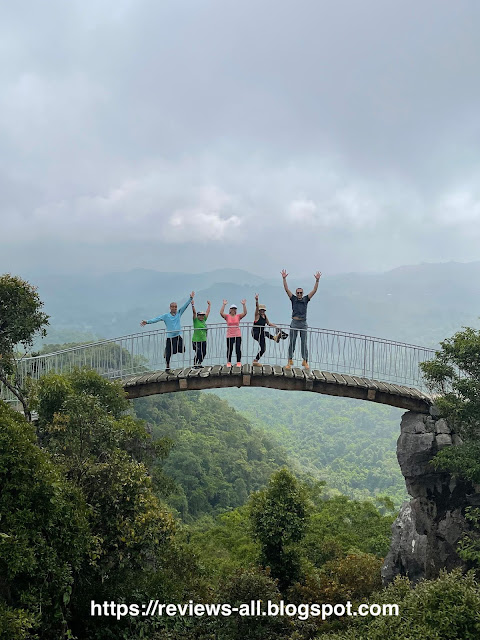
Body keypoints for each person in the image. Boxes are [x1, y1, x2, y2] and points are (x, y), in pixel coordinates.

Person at [140, 291, 194, 371]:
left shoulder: (179, 313)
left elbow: (185, 306)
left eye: (175, 307)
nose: (175, 308)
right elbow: (157, 319)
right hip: (170, 337)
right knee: (168, 353)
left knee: (182, 349)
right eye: (173, 307)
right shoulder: (166, 316)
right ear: (170, 308)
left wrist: (190, 298)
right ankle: (167, 366)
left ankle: (169, 351)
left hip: (178, 336)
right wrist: (147, 322)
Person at [281, 270, 321, 370]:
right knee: (292, 342)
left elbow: (314, 291)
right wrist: (284, 278)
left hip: (303, 323)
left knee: (304, 342)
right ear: (296, 293)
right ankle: (289, 360)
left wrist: (317, 280)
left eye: (300, 293)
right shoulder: (293, 299)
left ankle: (305, 361)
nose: (299, 294)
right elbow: (286, 289)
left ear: (302, 293)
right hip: (294, 322)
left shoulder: (305, 299)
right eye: (298, 292)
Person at [252, 293, 280, 366]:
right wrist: (257, 300)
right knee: (266, 333)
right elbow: (256, 308)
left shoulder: (265, 316)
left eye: (263, 310)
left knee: (263, 349)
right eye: (261, 310)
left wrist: (276, 326)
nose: (262, 311)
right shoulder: (257, 316)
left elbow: (269, 323)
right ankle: (274, 338)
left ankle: (255, 360)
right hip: (255, 333)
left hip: (261, 333)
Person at [220, 299, 247, 367]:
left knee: (238, 348)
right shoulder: (227, 316)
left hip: (237, 334)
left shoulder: (238, 316)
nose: (233, 310)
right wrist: (224, 304)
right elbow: (221, 313)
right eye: (232, 309)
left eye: (235, 309)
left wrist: (244, 305)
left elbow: (245, 313)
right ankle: (229, 362)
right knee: (230, 349)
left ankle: (238, 362)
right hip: (229, 335)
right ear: (230, 309)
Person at [191, 299, 211, 367]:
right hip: (196, 340)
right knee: (198, 352)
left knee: (204, 353)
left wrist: (209, 305)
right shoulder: (196, 320)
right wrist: (193, 305)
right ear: (198, 315)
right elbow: (194, 312)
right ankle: (195, 364)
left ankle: (199, 363)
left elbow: (207, 312)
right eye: (200, 315)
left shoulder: (204, 320)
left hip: (203, 340)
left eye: (203, 315)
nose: (202, 316)